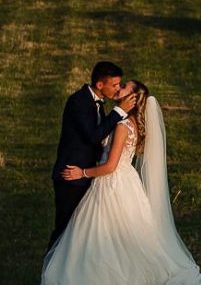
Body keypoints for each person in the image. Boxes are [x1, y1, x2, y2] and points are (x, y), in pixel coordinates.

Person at [37, 81, 201, 285]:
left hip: (112, 182)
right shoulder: (127, 122)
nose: (119, 88)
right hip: (125, 181)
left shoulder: (123, 125)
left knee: (108, 231)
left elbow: (110, 166)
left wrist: (81, 173)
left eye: (124, 87)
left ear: (133, 98)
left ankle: (109, 279)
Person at [48, 61, 137, 251]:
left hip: (86, 175)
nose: (117, 89)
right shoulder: (79, 102)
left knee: (80, 231)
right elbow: (93, 135)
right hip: (71, 176)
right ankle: (50, 274)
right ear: (99, 85)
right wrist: (119, 111)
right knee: (64, 229)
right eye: (114, 85)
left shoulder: (97, 103)